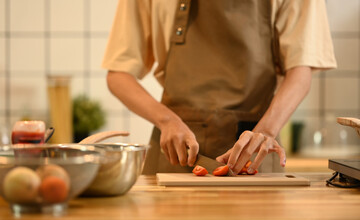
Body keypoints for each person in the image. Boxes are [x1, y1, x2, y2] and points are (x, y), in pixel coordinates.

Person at [102, 0, 337, 175]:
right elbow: (119, 74)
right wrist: (166, 121)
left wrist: (265, 132)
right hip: (174, 157)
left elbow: (300, 69)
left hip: (254, 154)